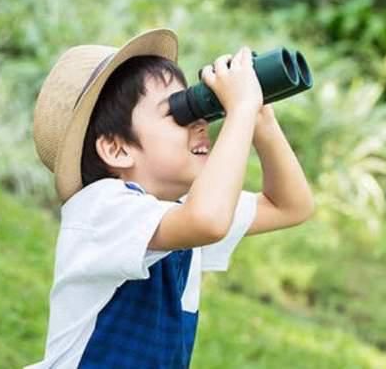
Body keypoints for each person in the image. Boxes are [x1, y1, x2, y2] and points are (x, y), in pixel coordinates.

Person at [25, 28, 315, 368]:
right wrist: (239, 111)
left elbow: (290, 206)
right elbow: (208, 220)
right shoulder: (101, 209)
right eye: (178, 111)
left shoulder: (177, 211)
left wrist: (261, 122)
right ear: (117, 149)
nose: (201, 121)